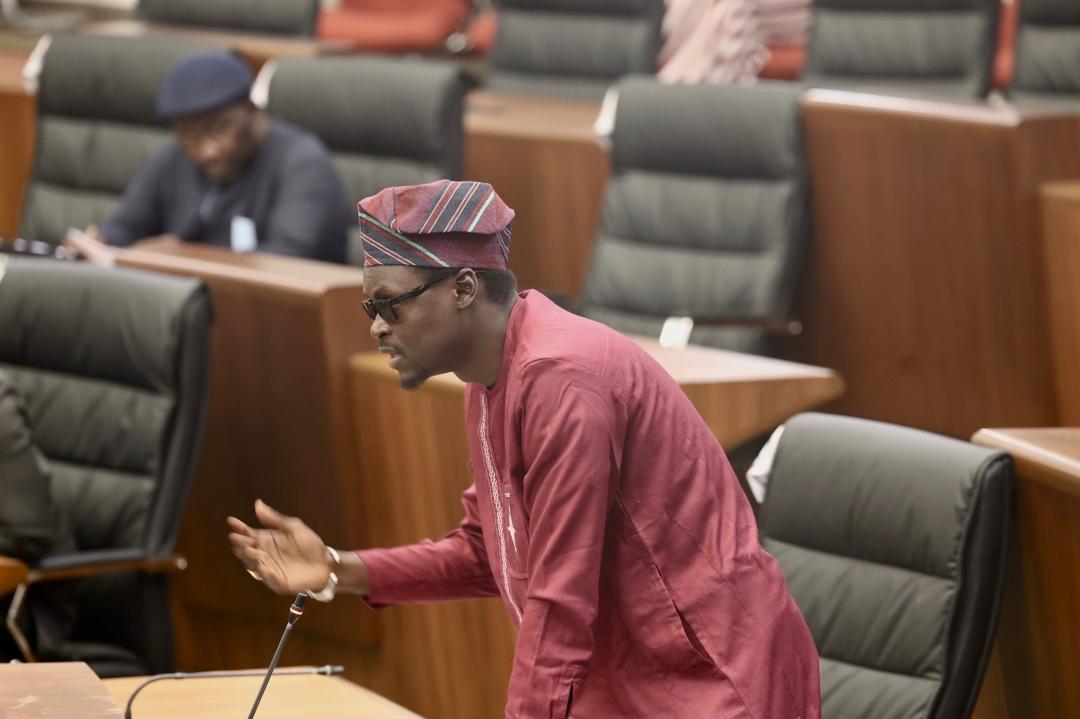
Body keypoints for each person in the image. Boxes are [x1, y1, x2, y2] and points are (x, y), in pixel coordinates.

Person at [228, 180, 821, 718]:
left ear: (463, 288)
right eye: (370, 309)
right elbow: (491, 552)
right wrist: (338, 569)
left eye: (391, 305)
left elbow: (559, 603)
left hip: (708, 679)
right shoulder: (489, 377)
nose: (378, 327)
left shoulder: (562, 377)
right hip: (628, 677)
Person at [98, 51, 349, 263]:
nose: (206, 151)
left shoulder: (303, 164)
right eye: (188, 135)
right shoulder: (174, 157)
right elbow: (124, 228)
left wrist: (178, 258)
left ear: (253, 110)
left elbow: (289, 258)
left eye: (218, 130)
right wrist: (98, 244)